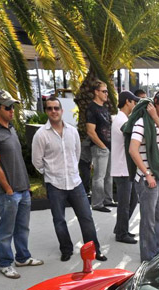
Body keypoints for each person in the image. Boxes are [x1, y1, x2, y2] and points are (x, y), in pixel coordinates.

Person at [32, 97, 106, 263]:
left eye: (56, 108)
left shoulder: (72, 131)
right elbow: (37, 161)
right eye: (50, 108)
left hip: (75, 182)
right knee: (59, 220)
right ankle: (66, 249)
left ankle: (95, 250)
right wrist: (49, 173)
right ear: (46, 111)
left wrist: (71, 170)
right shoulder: (41, 135)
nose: (53, 111)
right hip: (55, 184)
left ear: (61, 111)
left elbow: (76, 153)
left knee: (86, 217)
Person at [0, 89, 42, 279]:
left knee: (23, 227)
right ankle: (5, 263)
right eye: (7, 107)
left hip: (22, 188)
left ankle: (22, 257)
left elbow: (17, 160)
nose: (12, 110)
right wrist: (7, 189)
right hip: (9, 192)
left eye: (13, 107)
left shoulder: (11, 128)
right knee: (6, 229)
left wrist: (26, 185)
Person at [128, 90, 159, 262]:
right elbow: (133, 150)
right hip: (147, 179)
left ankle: (156, 251)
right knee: (147, 220)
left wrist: (156, 118)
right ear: (155, 102)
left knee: (156, 218)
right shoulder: (140, 123)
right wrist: (147, 174)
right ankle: (148, 258)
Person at [111, 90, 141, 244]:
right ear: (127, 102)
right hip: (122, 168)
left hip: (125, 168)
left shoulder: (123, 118)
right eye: (134, 101)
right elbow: (129, 132)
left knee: (133, 199)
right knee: (124, 203)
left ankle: (121, 228)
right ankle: (121, 233)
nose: (135, 104)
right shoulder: (121, 120)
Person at [85, 81, 114, 212]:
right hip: (99, 147)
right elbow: (90, 131)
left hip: (108, 146)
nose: (106, 93)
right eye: (104, 91)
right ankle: (97, 203)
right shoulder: (92, 108)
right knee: (99, 176)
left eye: (107, 91)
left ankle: (108, 200)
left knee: (109, 176)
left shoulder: (104, 107)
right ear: (96, 92)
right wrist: (102, 146)